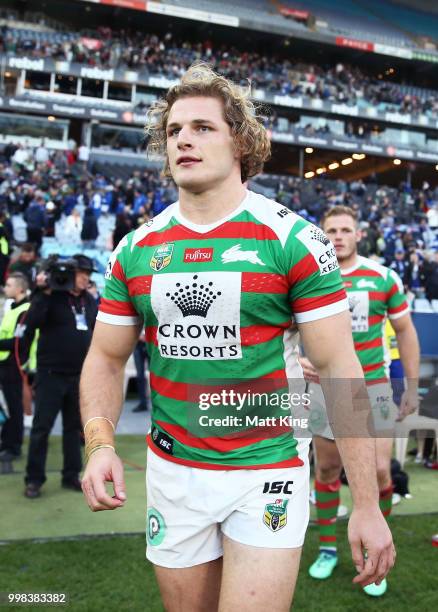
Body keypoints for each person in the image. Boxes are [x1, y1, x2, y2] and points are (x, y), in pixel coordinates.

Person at [80, 64, 394, 611]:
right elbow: (106, 359)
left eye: (203, 127)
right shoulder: (135, 248)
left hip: (267, 468)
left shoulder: (294, 239)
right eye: (174, 130)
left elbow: (342, 369)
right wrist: (100, 443)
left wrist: (364, 503)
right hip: (173, 469)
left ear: (241, 142)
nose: (183, 139)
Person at [304, 205, 419, 597]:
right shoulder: (309, 275)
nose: (337, 236)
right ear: (321, 236)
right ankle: (326, 550)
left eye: (345, 229)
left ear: (358, 234)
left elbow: (405, 330)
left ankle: (376, 555)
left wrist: (411, 386)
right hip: (324, 388)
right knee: (326, 471)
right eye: (331, 230)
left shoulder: (383, 277)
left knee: (382, 473)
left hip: (374, 389)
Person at [23, 255, 98, 498]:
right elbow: (32, 323)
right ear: (70, 273)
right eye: (82, 273)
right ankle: (34, 479)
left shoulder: (88, 300)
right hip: (50, 375)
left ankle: (71, 475)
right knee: (41, 428)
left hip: (79, 375)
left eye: (88, 274)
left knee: (73, 428)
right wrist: (42, 292)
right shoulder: (51, 296)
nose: (86, 277)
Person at [0, 273, 31, 460]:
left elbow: (18, 342)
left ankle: (14, 446)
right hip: (6, 362)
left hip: (15, 365)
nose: (5, 288)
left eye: (9, 285)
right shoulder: (12, 307)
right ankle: (6, 442)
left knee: (15, 407)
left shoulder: (25, 309)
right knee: (8, 406)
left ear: (20, 288)